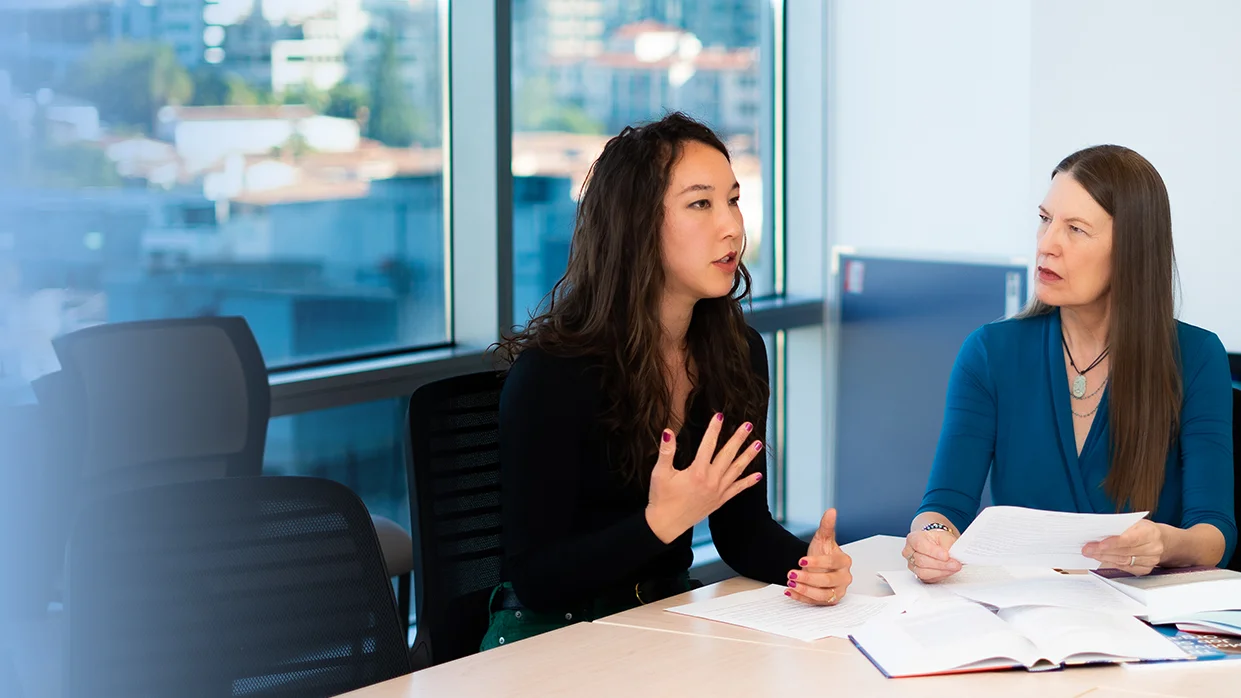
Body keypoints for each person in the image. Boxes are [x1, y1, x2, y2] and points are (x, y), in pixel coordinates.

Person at [481, 113, 852, 649]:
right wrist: (661, 521)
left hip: (662, 619)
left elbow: (742, 534)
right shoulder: (553, 374)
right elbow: (539, 580)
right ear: (636, 224)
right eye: (701, 203)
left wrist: (808, 568)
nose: (732, 226)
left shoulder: (737, 354)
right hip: (550, 637)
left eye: (733, 199)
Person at [904, 145, 1236, 583]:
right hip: (1024, 613)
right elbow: (944, 507)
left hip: (1146, 616)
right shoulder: (989, 352)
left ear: (1132, 249)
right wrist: (930, 537)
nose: (1047, 244)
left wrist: (1163, 543)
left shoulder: (1196, 356)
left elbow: (1213, 533)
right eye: (1045, 220)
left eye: (1076, 229)